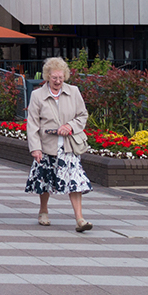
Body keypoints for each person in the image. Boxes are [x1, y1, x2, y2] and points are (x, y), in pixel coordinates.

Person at [25, 56, 94, 232]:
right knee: (45, 179)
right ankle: (43, 211)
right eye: (54, 78)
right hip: (47, 145)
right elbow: (32, 123)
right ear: (48, 76)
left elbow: (82, 116)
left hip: (69, 146)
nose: (58, 81)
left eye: (61, 78)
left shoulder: (74, 92)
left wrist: (70, 126)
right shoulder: (37, 95)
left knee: (75, 181)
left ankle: (80, 219)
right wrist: (35, 148)